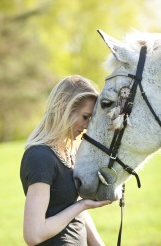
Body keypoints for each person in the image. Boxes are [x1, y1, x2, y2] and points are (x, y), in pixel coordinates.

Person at [20, 75, 112, 246]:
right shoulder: (39, 156)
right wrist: (82, 205)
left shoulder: (69, 151)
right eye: (85, 117)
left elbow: (70, 207)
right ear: (64, 109)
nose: (87, 126)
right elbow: (33, 234)